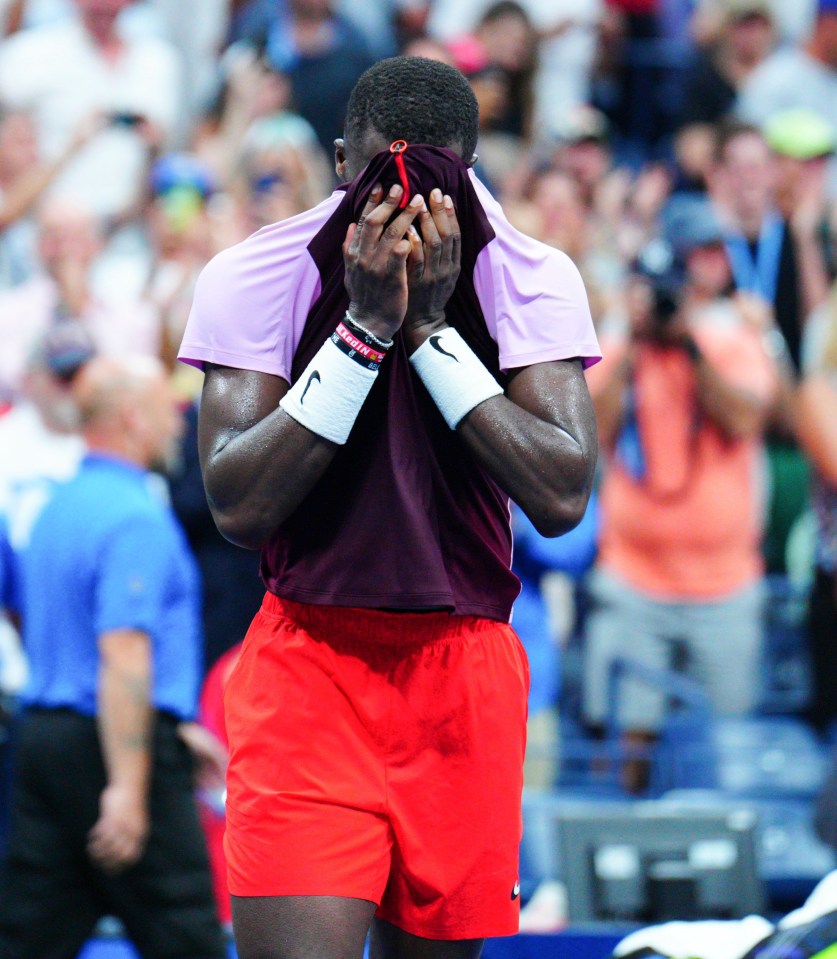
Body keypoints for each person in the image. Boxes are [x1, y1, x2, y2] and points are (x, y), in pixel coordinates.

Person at [179, 55, 600, 959]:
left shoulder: (530, 274)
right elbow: (239, 503)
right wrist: (364, 331)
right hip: (311, 667)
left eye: (434, 180)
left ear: (472, 169)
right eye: (380, 176)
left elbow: (562, 493)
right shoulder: (254, 273)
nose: (404, 201)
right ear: (340, 163)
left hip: (462, 675)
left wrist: (431, 332)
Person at [0, 356, 227, 959]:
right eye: (165, 410)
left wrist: (173, 721)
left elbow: (32, 620)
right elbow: (123, 650)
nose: (180, 425)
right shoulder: (134, 519)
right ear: (132, 417)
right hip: (117, 748)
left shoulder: (53, 507)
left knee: (30, 935)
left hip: (44, 739)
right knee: (186, 934)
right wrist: (128, 784)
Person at [583, 204, 780, 792]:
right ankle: (618, 862)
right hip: (633, 580)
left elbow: (745, 419)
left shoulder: (727, 341)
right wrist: (635, 347)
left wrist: (690, 349)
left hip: (725, 587)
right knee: (622, 750)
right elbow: (590, 431)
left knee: (729, 751)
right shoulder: (622, 351)